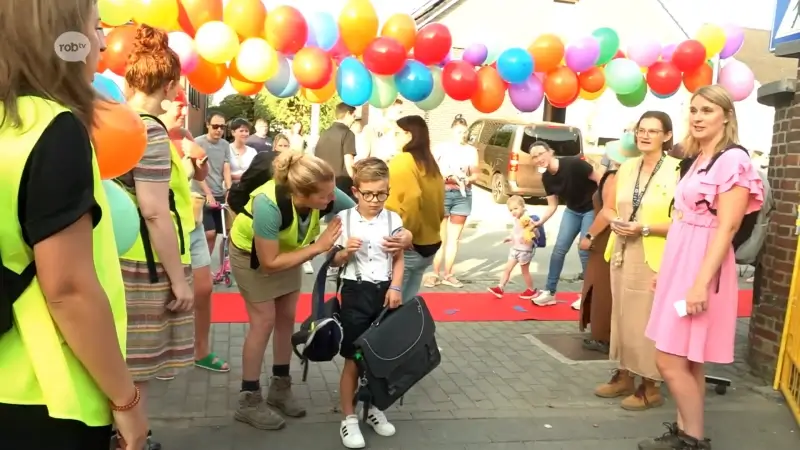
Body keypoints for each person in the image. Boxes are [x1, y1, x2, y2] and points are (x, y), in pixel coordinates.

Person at [0, 2, 148, 448]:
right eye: (94, 27)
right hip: (46, 392)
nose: (102, 43)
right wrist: (127, 402)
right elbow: (68, 289)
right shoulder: (51, 127)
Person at [227, 152, 413, 430]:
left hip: (292, 252)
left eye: (332, 192)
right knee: (263, 322)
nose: (332, 200)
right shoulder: (268, 205)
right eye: (325, 197)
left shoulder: (325, 191)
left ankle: (280, 386)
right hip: (253, 257)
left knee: (286, 319)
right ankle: (249, 398)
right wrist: (320, 247)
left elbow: (363, 215)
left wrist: (406, 236)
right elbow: (269, 262)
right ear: (301, 194)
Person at [641, 86, 764, 450]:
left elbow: (726, 228)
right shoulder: (697, 157)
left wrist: (698, 284)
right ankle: (685, 433)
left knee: (669, 360)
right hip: (682, 260)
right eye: (693, 110)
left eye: (707, 110)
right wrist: (667, 271)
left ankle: (693, 439)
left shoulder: (732, 161)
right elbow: (684, 220)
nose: (697, 117)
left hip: (703, 265)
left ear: (726, 116)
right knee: (687, 357)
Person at [120, 24, 197, 449]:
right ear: (169, 84)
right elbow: (154, 210)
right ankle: (134, 441)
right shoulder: (148, 130)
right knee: (138, 371)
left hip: (116, 255)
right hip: (143, 264)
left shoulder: (111, 119)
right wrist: (179, 279)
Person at [595, 111, 679, 414]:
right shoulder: (627, 167)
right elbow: (608, 208)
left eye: (653, 131)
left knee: (644, 319)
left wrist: (644, 228)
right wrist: (616, 221)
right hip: (622, 248)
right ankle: (625, 374)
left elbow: (684, 222)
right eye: (640, 130)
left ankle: (651, 386)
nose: (644, 136)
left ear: (667, 136)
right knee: (621, 315)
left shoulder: (678, 169)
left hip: (655, 252)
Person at [331, 158, 403, 448]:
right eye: (368, 194)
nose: (375, 200)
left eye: (381, 193)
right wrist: (344, 253)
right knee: (354, 358)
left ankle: (375, 408)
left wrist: (396, 285)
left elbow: (399, 258)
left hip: (385, 292)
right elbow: (333, 260)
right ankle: (348, 418)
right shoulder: (344, 219)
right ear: (356, 190)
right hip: (355, 292)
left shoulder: (393, 219)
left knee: (382, 358)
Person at [576, 140, 632, 355]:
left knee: (601, 286)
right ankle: (609, 335)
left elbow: (606, 211)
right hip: (616, 233)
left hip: (605, 236)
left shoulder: (614, 178)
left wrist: (589, 235)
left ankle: (603, 336)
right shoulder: (632, 178)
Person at [530, 141, 601, 306]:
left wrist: (604, 207)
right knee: (559, 250)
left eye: (541, 153)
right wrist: (539, 222)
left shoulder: (573, 163)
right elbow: (552, 205)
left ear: (550, 151)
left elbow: (600, 180)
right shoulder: (546, 178)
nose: (539, 158)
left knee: (584, 250)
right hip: (572, 211)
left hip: (590, 209)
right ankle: (549, 292)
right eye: (534, 157)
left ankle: (587, 296)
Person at [386, 115, 445, 302]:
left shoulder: (403, 160)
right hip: (430, 242)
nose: (394, 138)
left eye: (397, 133)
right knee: (406, 301)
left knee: (391, 302)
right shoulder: (429, 163)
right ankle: (404, 330)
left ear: (409, 135)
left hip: (410, 243)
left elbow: (412, 198)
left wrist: (406, 233)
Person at [425, 114, 478, 289]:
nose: (461, 135)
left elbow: (476, 174)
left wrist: (467, 179)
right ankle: (434, 273)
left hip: (462, 195)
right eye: (458, 132)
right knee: (441, 236)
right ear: (452, 131)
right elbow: (430, 169)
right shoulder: (442, 148)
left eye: (464, 132)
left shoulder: (471, 151)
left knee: (454, 239)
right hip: (443, 193)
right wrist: (447, 175)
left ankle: (448, 273)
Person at [193, 110, 232, 252]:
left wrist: (229, 188)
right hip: (201, 193)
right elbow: (197, 171)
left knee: (220, 233)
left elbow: (226, 167)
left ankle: (209, 266)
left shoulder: (225, 145)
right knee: (208, 233)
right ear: (207, 125)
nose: (219, 130)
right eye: (215, 126)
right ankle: (201, 266)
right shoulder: (198, 142)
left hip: (218, 192)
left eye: (222, 127)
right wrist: (208, 193)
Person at [487, 196, 539, 299]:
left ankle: (531, 290)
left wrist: (531, 233)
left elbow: (537, 234)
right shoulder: (516, 219)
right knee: (507, 269)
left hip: (524, 251)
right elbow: (515, 232)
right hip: (515, 249)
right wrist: (510, 238)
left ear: (523, 207)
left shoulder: (527, 219)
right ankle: (500, 288)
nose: (513, 212)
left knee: (525, 271)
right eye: (511, 210)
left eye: (516, 208)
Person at [316, 103, 358, 195]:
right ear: (347, 114)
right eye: (354, 116)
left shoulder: (324, 133)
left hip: (323, 184)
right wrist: (357, 181)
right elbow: (349, 163)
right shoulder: (348, 134)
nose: (354, 120)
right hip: (342, 186)